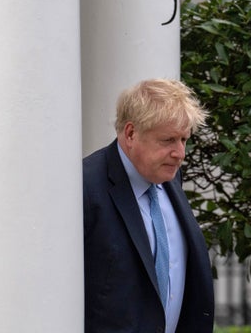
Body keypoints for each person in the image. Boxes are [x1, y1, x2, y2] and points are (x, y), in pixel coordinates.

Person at [83, 78, 215, 333]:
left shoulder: (168, 176)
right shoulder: (85, 187)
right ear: (131, 133)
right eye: (168, 140)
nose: (180, 153)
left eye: (183, 140)